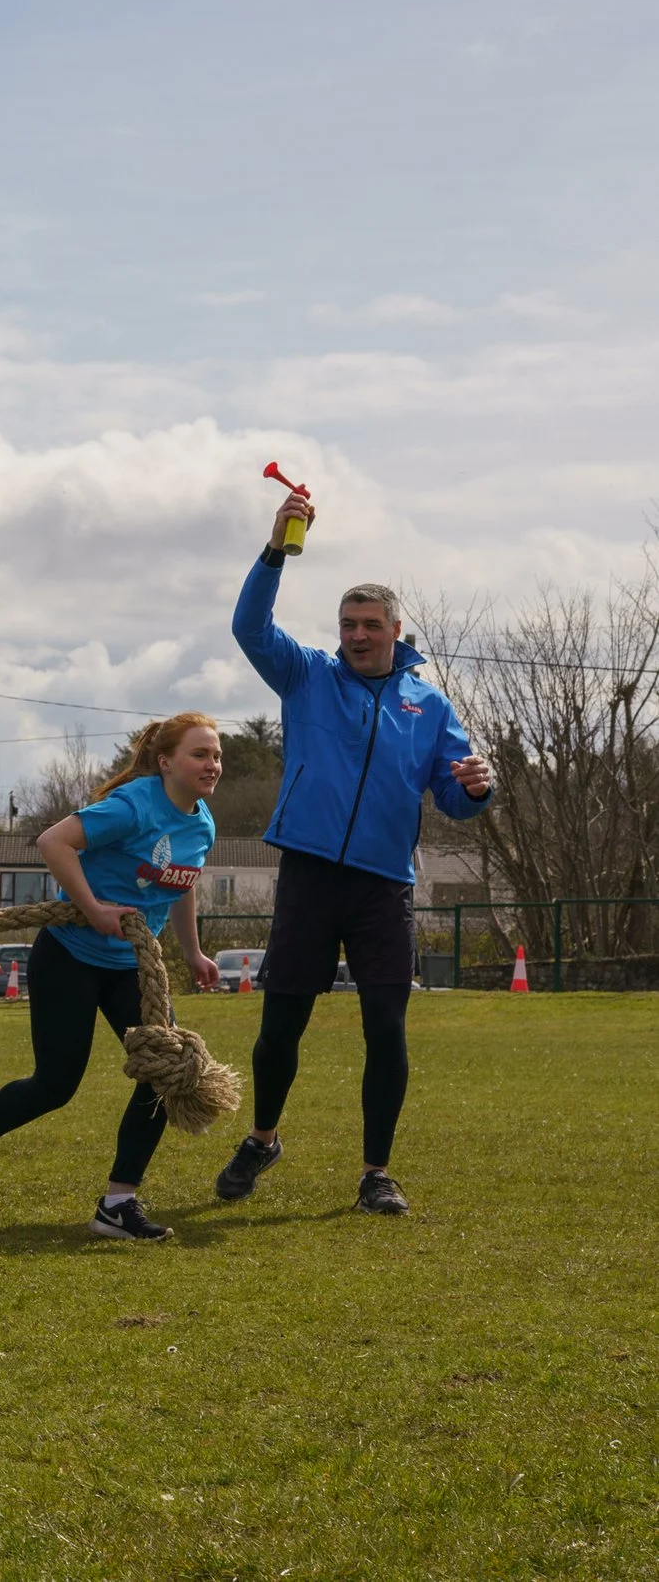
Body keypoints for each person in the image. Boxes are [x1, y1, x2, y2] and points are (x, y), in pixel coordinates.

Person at [214, 489, 493, 1215]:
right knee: (280, 1029)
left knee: (386, 1028)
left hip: (383, 887)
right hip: (308, 872)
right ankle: (263, 1136)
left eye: (370, 625)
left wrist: (477, 785)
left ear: (397, 630)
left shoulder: (428, 706)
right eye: (348, 624)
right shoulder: (306, 674)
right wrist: (274, 550)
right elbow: (249, 625)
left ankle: (376, 1174)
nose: (357, 635)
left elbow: (456, 801)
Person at [0, 714, 225, 1240]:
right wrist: (91, 908)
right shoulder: (133, 806)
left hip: (133, 969)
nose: (212, 765)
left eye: (216, 755)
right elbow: (53, 842)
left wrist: (194, 951)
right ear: (166, 762)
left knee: (167, 1075)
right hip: (69, 955)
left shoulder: (201, 823)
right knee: (55, 1084)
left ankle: (119, 1202)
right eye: (200, 754)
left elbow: (181, 883)